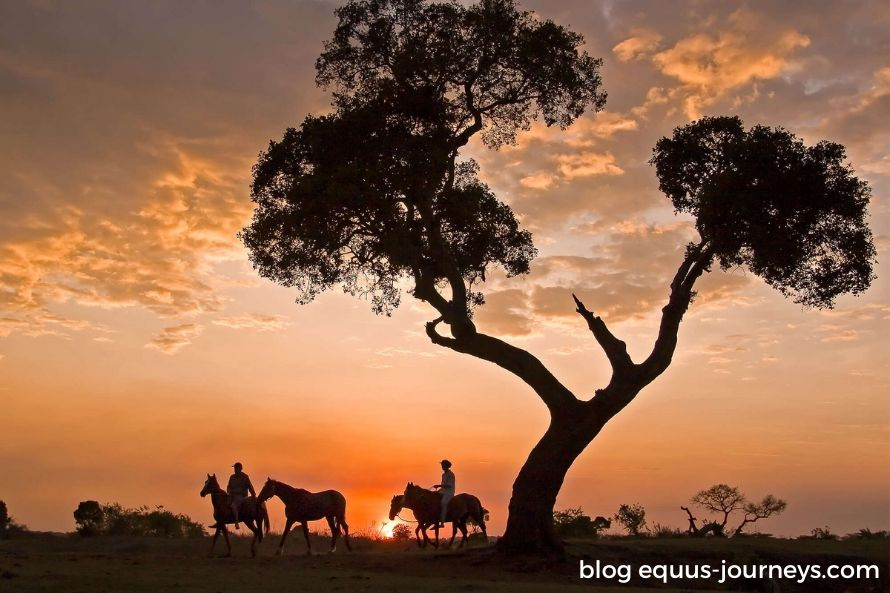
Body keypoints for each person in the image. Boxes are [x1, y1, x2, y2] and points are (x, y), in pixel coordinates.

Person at [227, 462, 256, 529]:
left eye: (236, 468)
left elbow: (250, 486)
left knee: (233, 506)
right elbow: (229, 486)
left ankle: (236, 523)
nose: (235, 469)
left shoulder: (245, 477)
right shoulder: (232, 477)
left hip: (242, 496)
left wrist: (253, 494)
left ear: (240, 469)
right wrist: (228, 491)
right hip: (232, 496)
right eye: (234, 468)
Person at [432, 459, 455, 527]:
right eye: (442, 465)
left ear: (447, 466)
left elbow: (449, 485)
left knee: (443, 503)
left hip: (449, 492)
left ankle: (442, 522)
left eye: (443, 465)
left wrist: (439, 486)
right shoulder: (443, 474)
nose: (442, 466)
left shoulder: (451, 474)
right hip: (443, 491)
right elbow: (443, 486)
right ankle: (435, 520)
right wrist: (438, 490)